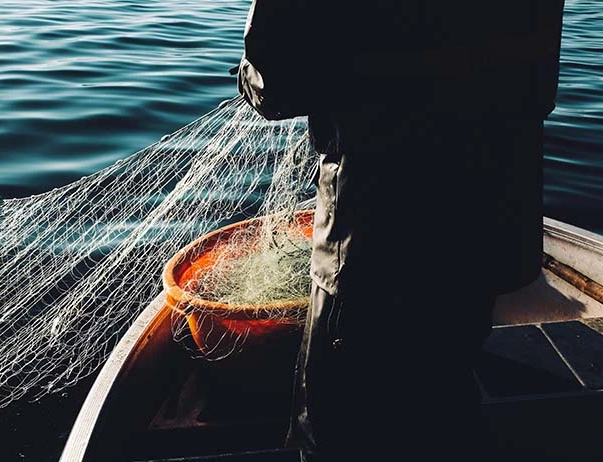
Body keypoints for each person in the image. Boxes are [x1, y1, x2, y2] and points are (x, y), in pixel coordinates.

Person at [237, 1, 566, 461]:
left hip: (375, 237)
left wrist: (249, 76)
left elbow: (279, 82)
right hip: (486, 221)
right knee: (441, 390)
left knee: (340, 428)